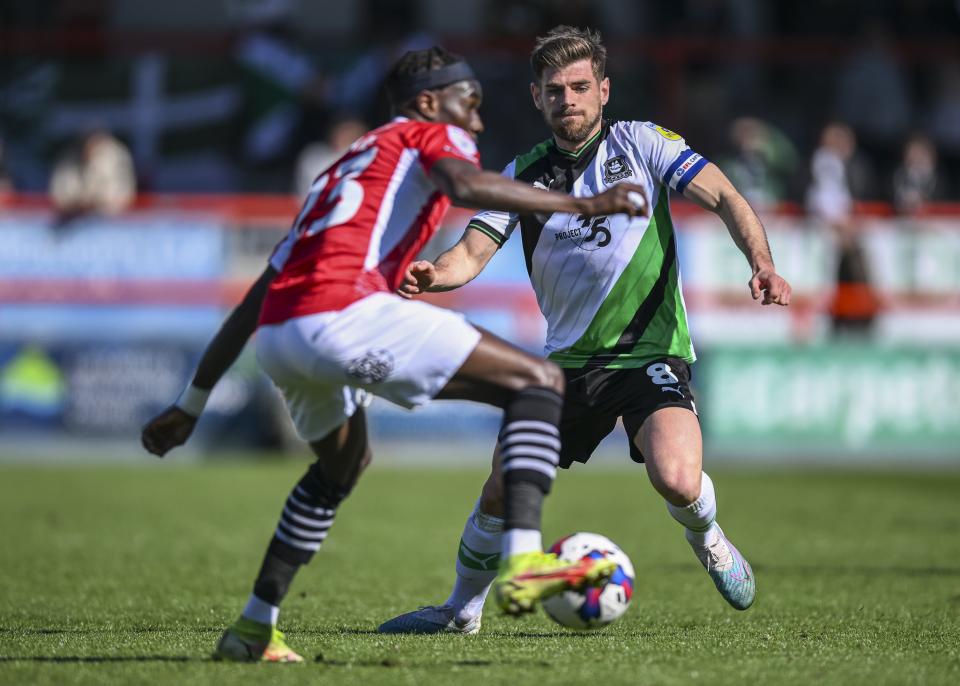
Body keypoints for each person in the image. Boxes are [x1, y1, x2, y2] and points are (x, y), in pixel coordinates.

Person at [140, 46, 647, 663]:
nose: (478, 122)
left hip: (282, 335)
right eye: (471, 104)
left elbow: (255, 299)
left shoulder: (345, 167)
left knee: (341, 465)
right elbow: (462, 184)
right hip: (343, 314)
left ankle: (254, 626)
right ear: (430, 102)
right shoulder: (432, 134)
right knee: (539, 382)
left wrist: (190, 403)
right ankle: (522, 562)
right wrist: (583, 203)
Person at [376, 26, 792, 636]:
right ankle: (460, 611)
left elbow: (726, 195)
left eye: (578, 87)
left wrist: (761, 261)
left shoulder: (644, 144)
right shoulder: (522, 176)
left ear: (603, 90)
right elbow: (467, 256)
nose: (566, 99)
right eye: (553, 90)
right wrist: (431, 273)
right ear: (536, 98)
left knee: (676, 478)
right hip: (567, 365)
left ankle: (709, 539)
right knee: (502, 488)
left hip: (650, 354)